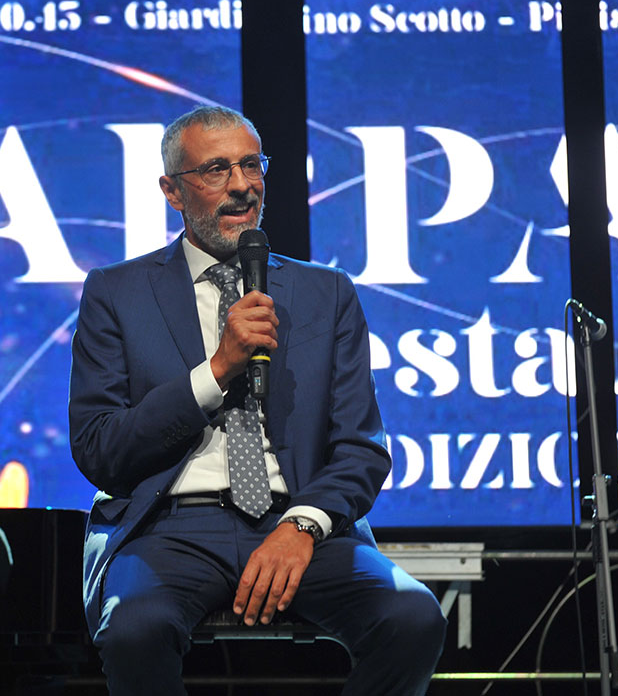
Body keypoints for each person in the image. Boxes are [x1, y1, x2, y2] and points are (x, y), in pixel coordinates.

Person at [69, 105, 446, 695]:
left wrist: (303, 525)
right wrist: (217, 370)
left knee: (413, 617)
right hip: (170, 529)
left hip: (298, 524)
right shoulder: (116, 293)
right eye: (216, 169)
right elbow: (99, 450)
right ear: (172, 191)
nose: (242, 185)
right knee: (134, 630)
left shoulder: (327, 292)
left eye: (251, 165)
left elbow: (361, 449)